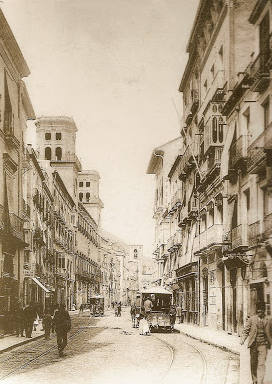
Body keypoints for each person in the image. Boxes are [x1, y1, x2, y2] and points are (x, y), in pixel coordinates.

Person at [240, 302, 272, 384]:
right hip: (253, 344)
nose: (260, 312)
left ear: (264, 310)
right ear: (257, 310)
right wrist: (242, 339)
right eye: (258, 310)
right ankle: (254, 380)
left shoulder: (269, 319)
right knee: (253, 363)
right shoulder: (252, 319)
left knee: (261, 363)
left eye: (261, 310)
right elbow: (246, 330)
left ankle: (260, 381)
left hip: (263, 344)